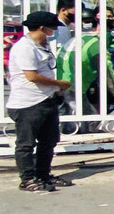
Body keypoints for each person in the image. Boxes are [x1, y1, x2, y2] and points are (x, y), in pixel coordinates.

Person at [6, 11, 73, 193]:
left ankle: (43, 174)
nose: (54, 31)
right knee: (26, 144)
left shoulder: (41, 45)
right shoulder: (25, 48)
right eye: (52, 28)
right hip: (28, 103)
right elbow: (32, 76)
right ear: (42, 28)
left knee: (49, 140)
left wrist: (55, 90)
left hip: (46, 99)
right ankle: (27, 179)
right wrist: (59, 84)